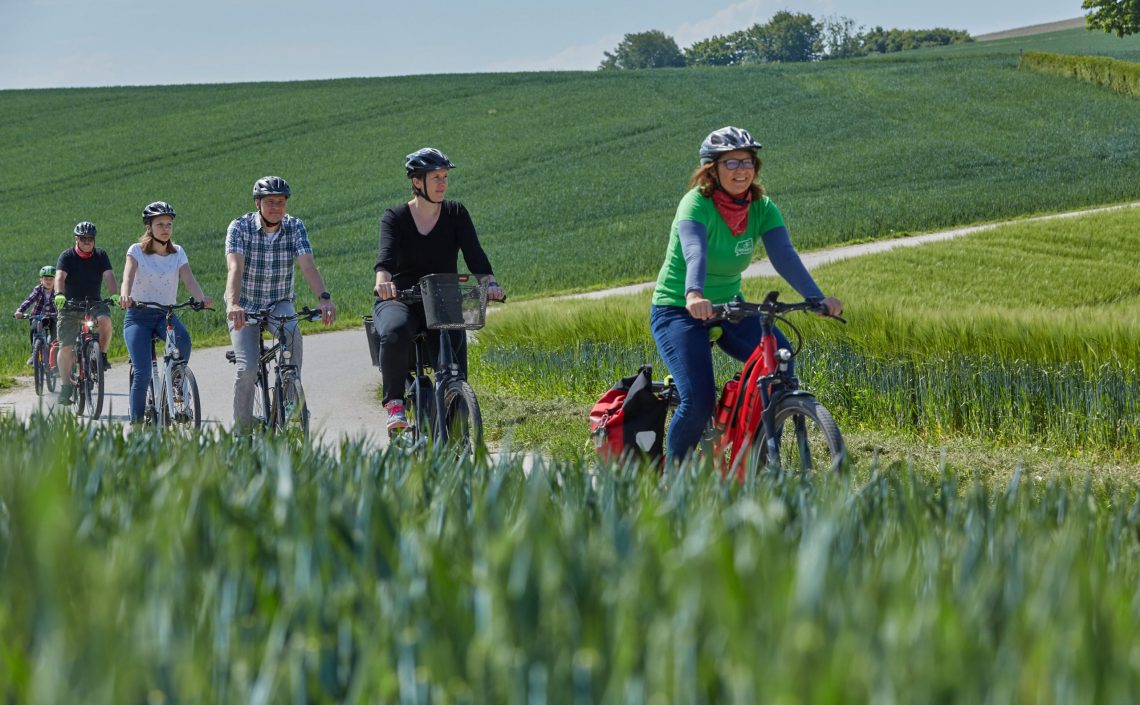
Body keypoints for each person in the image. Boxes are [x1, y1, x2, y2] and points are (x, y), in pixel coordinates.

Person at [650, 126, 843, 465]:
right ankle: (673, 478)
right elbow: (695, 252)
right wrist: (694, 294)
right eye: (731, 163)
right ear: (713, 170)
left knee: (780, 363)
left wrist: (817, 298)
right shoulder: (695, 204)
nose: (741, 170)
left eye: (747, 162)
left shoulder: (762, 207)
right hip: (679, 309)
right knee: (698, 400)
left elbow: (784, 256)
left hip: (730, 307)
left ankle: (763, 461)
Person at [372, 147, 505, 431]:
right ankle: (395, 405)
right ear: (417, 182)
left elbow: (475, 256)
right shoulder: (395, 217)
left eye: (445, 177)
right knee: (395, 331)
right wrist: (383, 283)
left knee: (453, 367)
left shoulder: (456, 213)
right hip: (400, 298)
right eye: (436, 178)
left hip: (442, 299)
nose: (443, 183)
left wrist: (490, 284)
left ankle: (458, 427)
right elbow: (384, 259)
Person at [224, 176, 337, 431]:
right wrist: (233, 304)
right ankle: (241, 429)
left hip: (279, 302)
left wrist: (324, 298)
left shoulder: (295, 227)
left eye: (281, 202)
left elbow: (307, 265)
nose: (277, 207)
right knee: (247, 369)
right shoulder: (239, 227)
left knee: (293, 334)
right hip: (245, 304)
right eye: (270, 202)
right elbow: (235, 268)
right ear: (257, 203)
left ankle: (288, 399)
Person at [118, 202, 213, 424]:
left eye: (169, 224)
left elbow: (188, 279)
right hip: (138, 316)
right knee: (142, 373)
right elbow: (128, 277)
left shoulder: (178, 252)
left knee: (184, 342)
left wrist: (201, 299)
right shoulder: (136, 251)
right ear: (149, 227)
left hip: (165, 315)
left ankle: (176, 382)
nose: (165, 229)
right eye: (160, 224)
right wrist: (125, 295)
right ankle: (137, 423)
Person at [55, 221, 119, 406]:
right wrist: (60, 295)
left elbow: (109, 276)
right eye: (83, 238)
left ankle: (102, 356)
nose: (87, 242)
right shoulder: (67, 256)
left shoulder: (100, 255)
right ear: (76, 239)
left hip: (94, 303)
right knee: (66, 347)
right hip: (70, 305)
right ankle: (66, 386)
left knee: (105, 320)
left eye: (90, 239)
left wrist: (114, 294)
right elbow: (60, 277)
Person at [13, 266, 58, 365]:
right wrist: (20, 311)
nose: (48, 281)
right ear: (41, 280)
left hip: (54, 317)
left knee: (56, 335)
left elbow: (64, 304)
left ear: (55, 280)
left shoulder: (58, 291)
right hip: (38, 316)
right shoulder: (38, 289)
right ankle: (34, 353)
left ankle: (55, 358)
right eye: (46, 279)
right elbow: (29, 300)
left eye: (51, 279)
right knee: (34, 329)